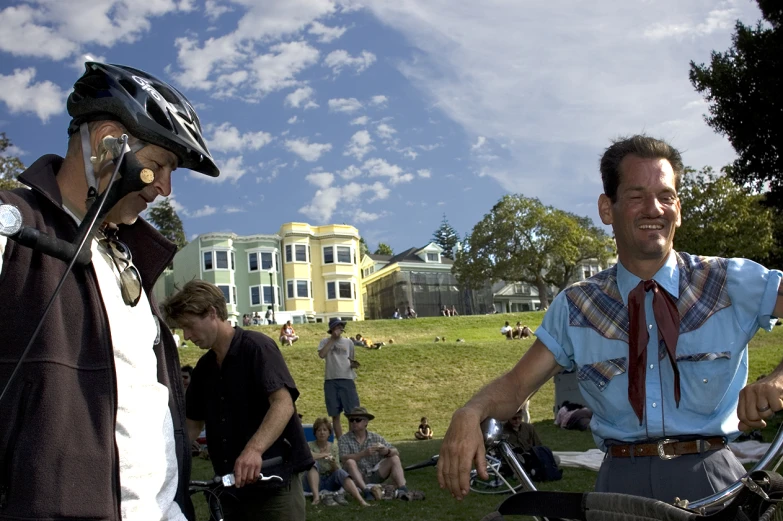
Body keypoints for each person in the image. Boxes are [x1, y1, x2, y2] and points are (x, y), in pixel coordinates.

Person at [438, 134, 783, 504]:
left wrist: (778, 380)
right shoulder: (578, 306)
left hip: (715, 483)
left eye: (666, 196)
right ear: (607, 209)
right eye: (637, 196)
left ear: (678, 209)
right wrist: (469, 411)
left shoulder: (728, 281)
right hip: (619, 492)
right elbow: (516, 386)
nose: (655, 209)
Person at [0, 62, 219, 520]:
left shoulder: (132, 262)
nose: (165, 188)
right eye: (159, 165)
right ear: (107, 143)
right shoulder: (12, 228)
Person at [163, 280, 313, 521]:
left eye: (189, 326)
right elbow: (191, 425)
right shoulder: (203, 369)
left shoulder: (257, 347)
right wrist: (163, 463)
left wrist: (254, 450)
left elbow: (283, 403)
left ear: (212, 313)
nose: (187, 336)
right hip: (229, 490)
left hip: (274, 484)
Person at [338, 407, 408, 500]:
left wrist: (387, 451)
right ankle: (366, 492)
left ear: (366, 422)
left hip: (374, 474)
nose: (354, 422)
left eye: (358, 420)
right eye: (351, 420)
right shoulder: (344, 439)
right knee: (350, 462)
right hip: (356, 476)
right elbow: (343, 458)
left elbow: (396, 452)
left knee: (394, 458)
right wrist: (363, 454)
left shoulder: (376, 437)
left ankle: (403, 489)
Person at [305, 417, 371, 507]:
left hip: (328, 480)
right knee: (312, 464)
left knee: (340, 472)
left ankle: (361, 500)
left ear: (329, 433)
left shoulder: (334, 447)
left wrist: (333, 464)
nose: (322, 432)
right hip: (310, 482)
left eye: (325, 430)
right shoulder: (309, 445)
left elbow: (336, 469)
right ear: (315, 433)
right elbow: (308, 457)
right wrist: (324, 454)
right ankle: (316, 498)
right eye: (319, 430)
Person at [319, 318, 361, 438]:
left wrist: (353, 365)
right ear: (331, 329)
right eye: (336, 327)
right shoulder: (324, 341)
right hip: (330, 380)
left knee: (351, 413)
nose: (339, 329)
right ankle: (341, 441)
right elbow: (322, 354)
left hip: (347, 379)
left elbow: (350, 359)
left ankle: (352, 439)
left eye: (340, 326)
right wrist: (332, 339)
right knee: (335, 413)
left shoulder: (349, 342)